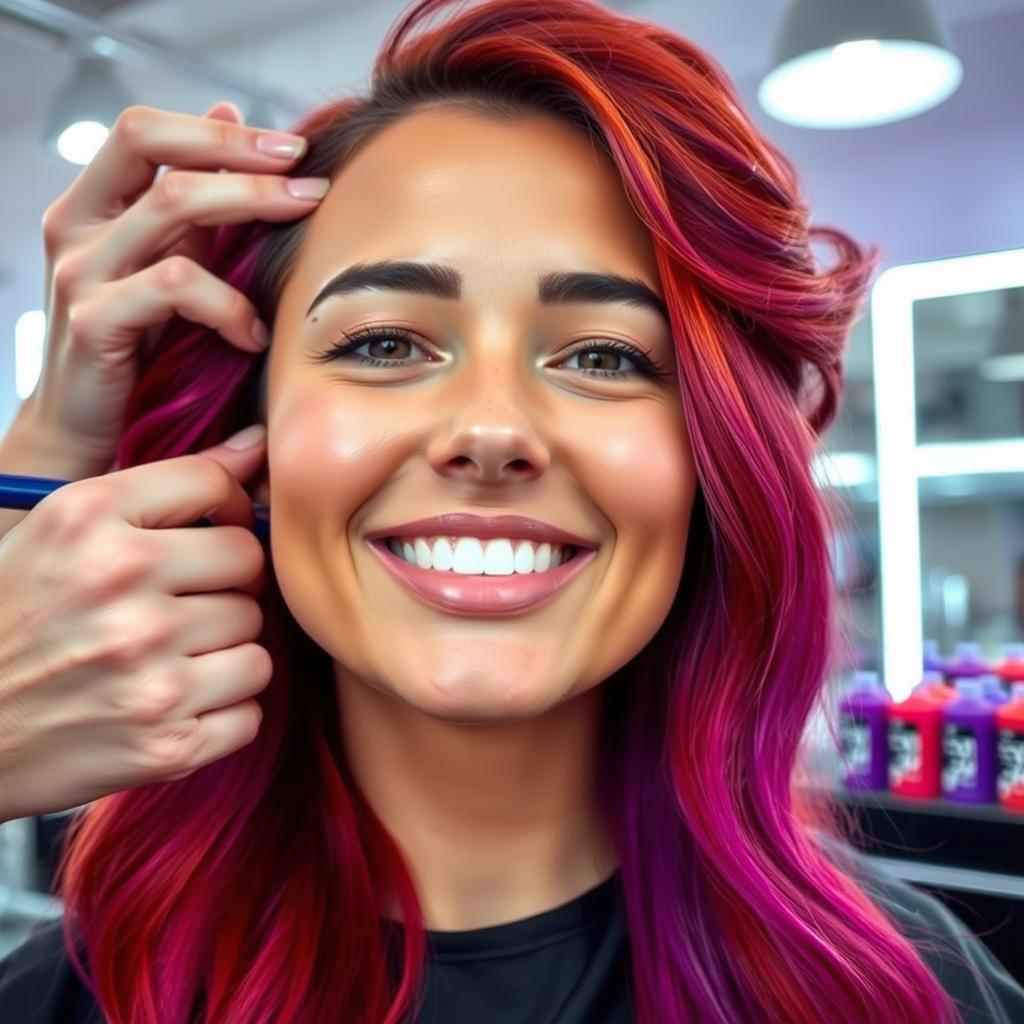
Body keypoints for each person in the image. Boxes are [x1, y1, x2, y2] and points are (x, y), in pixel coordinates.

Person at [1, 0, 1023, 1020]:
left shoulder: (908, 996)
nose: (491, 430)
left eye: (603, 355)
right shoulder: (70, 996)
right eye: (385, 343)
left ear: (712, 463)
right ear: (253, 445)